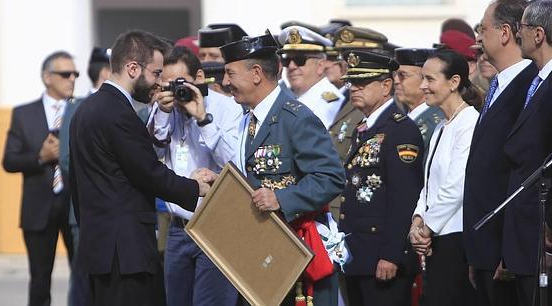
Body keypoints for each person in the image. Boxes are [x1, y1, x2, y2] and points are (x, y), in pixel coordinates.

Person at [68, 30, 213, 306]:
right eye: (157, 73)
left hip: (101, 250)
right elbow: (149, 173)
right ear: (133, 68)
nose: (160, 83)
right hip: (126, 255)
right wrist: (195, 187)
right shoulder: (119, 114)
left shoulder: (87, 110)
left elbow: (79, 186)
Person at [219, 33, 345, 305]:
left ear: (256, 74)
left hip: (297, 253)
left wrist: (282, 199)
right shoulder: (247, 120)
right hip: (259, 251)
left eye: (230, 73)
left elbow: (331, 177)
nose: (225, 82)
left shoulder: (296, 118)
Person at [147, 45, 242, 306]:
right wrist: (164, 111)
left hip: (217, 227)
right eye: (167, 84)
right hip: (178, 227)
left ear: (199, 78)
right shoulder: (166, 110)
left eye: (181, 83)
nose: (176, 90)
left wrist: (203, 118)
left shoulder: (227, 108)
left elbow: (235, 163)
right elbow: (150, 152)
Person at [464, 1, 537, 305]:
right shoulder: (500, 84)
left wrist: (509, 249)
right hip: (485, 250)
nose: (477, 38)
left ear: (506, 32)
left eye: (482, 28)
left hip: (506, 253)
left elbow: (521, 171)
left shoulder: (530, 86)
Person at [339, 49, 423, 306]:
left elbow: (404, 198)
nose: (355, 88)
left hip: (381, 257)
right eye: (352, 83)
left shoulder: (400, 129)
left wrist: (391, 255)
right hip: (359, 254)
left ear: (386, 85)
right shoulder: (365, 128)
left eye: (363, 83)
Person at [2, 51, 77, 306]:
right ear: (47, 77)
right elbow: (9, 161)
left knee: (83, 277)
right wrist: (40, 157)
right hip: (38, 209)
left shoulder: (81, 110)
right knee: (40, 279)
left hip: (75, 208)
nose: (72, 79)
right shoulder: (24, 114)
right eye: (65, 74)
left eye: (75, 74)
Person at [408, 49, 480, 306]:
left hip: (455, 238)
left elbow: (456, 185)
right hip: (436, 237)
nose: (423, 86)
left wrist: (427, 227)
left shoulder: (470, 123)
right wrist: (417, 219)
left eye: (430, 79)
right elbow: (429, 183)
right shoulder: (442, 126)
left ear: (454, 82)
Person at [503, 1, 552, 305]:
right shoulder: (535, 81)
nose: (517, 35)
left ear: (538, 34)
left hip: (542, 230)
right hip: (524, 233)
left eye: (520, 28)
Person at [278, 25, 344, 128]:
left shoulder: (329, 104)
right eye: (286, 60)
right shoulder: (293, 98)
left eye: (300, 60)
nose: (291, 66)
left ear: (320, 66)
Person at [393, 48, 444, 158]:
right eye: (395, 75)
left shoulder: (435, 123)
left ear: (425, 80)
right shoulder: (402, 117)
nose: (396, 81)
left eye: (403, 75)